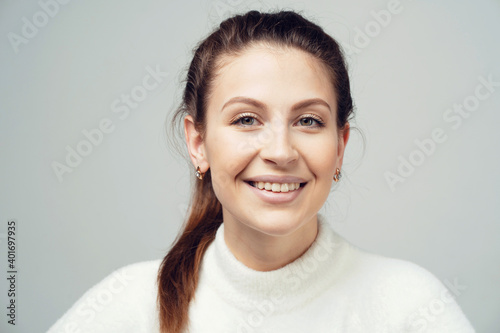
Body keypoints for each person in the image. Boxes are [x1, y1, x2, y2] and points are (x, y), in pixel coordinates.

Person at [48, 10, 475, 333]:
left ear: (340, 146)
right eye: (246, 120)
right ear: (198, 143)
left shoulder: (410, 308)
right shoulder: (126, 306)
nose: (281, 151)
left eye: (308, 120)